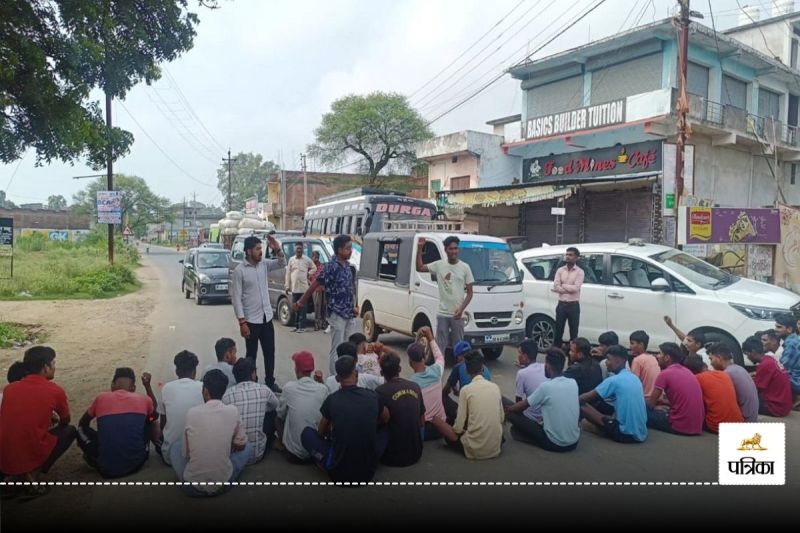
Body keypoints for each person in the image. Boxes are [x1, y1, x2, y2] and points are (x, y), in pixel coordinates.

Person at [0, 346, 76, 495]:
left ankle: (17, 478)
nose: (54, 367)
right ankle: (33, 477)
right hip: (30, 449)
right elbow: (65, 420)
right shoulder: (55, 390)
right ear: (46, 367)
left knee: (21, 439)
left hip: (4, 454)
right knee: (69, 431)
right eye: (53, 363)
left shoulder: (10, 389)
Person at [301, 356, 390, 482]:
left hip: (337, 473)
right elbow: (386, 419)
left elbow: (321, 433)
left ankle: (323, 462)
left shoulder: (332, 399)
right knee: (386, 430)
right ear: (356, 374)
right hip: (368, 472)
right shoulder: (372, 396)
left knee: (307, 433)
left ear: (337, 378)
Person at [170, 370, 252, 497]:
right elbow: (241, 444)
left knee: (175, 447)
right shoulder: (232, 410)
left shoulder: (192, 413)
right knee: (249, 446)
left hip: (192, 488)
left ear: (205, 391)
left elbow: (186, 454)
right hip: (223, 484)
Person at [294, 234, 358, 375]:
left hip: (349, 313)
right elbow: (315, 285)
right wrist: (300, 302)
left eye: (351, 248)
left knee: (349, 347)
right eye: (348, 248)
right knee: (337, 348)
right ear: (339, 250)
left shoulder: (348, 267)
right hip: (337, 314)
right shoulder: (331, 267)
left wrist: (353, 306)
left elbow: (350, 290)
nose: (351, 251)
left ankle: (347, 375)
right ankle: (334, 378)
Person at [77, 368, 159, 478]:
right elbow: (154, 414)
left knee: (80, 430)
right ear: (133, 388)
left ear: (112, 385)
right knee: (150, 420)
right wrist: (147, 386)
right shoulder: (144, 399)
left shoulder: (101, 398)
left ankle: (93, 457)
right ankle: (157, 447)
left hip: (106, 470)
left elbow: (83, 422)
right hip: (137, 464)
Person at [231, 234, 286, 392]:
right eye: (257, 249)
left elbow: (282, 263)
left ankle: (270, 382)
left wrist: (277, 248)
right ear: (248, 251)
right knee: (251, 355)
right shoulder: (239, 271)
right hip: (250, 321)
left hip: (266, 317)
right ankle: (251, 383)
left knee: (270, 352)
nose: (261, 251)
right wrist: (242, 322)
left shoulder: (264, 264)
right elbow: (236, 298)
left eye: (261, 248)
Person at [429, 352, 504, 460]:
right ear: (482, 368)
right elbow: (501, 418)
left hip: (475, 449)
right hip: (495, 447)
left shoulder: (466, 390)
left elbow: (458, 428)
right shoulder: (495, 387)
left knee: (437, 421)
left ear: (467, 371)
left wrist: (461, 429)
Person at [505, 347, 579, 451]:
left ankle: (527, 436)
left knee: (511, 414)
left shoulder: (546, 387)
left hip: (554, 443)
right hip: (574, 442)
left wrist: (507, 410)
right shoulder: (573, 382)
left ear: (547, 366)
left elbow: (521, 406)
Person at [416, 235, 474, 356]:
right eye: (451, 249)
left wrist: (461, 310)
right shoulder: (439, 265)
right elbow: (420, 267)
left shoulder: (465, 267)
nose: (454, 251)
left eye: (456, 248)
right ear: (446, 250)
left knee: (459, 347)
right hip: (442, 314)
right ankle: (440, 366)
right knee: (440, 346)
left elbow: (470, 293)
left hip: (458, 315)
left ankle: (459, 366)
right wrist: (420, 248)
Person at [579, 345, 647, 443]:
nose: (606, 362)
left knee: (583, 414)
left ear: (618, 361)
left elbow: (584, 398)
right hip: (642, 432)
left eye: (608, 359)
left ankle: (605, 431)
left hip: (625, 433)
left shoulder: (614, 380)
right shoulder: (634, 378)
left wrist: (570, 397)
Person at [222, 358, 279, 464]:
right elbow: (275, 405)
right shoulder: (264, 389)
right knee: (273, 413)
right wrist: (261, 408)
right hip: (257, 453)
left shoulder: (226, 395)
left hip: (235, 453)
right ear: (253, 374)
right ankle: (271, 441)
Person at [277, 351, 329, 463]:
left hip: (293, 455)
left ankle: (283, 443)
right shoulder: (323, 389)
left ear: (296, 369)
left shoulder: (289, 388)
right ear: (312, 369)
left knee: (278, 416)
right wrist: (321, 382)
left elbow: (280, 415)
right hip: (315, 453)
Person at [376, 352, 425, 467]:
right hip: (416, 453)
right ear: (400, 369)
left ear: (381, 373)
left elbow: (381, 420)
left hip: (392, 458)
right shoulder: (415, 386)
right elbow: (422, 420)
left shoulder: (380, 391)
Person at [646, 343, 704, 435]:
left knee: (642, 411)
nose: (657, 356)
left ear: (667, 357)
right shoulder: (687, 371)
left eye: (660, 353)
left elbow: (650, 404)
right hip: (697, 426)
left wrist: (655, 406)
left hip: (679, 426)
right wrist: (663, 403)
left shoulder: (665, 374)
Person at [157, 350, 204, 465]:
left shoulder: (166, 388)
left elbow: (163, 424)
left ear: (177, 371)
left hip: (170, 457)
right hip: (199, 455)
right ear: (195, 371)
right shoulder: (203, 387)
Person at [683, 355, 743, 433]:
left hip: (716, 426)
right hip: (739, 422)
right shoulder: (722, 374)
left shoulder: (696, 379)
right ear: (704, 366)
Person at [407, 327, 447, 440]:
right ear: (424, 357)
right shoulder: (437, 370)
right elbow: (439, 356)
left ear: (410, 362)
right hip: (441, 427)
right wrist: (430, 338)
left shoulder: (411, 384)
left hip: (424, 432)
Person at [707, 342, 758, 423]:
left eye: (711, 359)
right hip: (752, 417)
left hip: (744, 421)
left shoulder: (726, 374)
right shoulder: (739, 368)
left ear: (719, 358)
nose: (710, 363)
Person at [743, 336, 793, 417]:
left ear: (753, 352)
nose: (748, 358)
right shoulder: (770, 359)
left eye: (747, 354)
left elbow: (755, 389)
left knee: (742, 401)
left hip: (775, 408)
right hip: (784, 405)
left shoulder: (765, 365)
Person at [443, 340, 492, 422]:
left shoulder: (459, 367)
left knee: (441, 398)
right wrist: (458, 393)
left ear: (459, 356)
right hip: (487, 415)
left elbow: (445, 392)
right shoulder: (485, 368)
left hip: (471, 417)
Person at [501, 339, 547, 425]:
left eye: (519, 353)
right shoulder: (544, 366)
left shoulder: (521, 374)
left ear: (525, 356)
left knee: (502, 400)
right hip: (544, 417)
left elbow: (518, 403)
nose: (518, 355)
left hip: (530, 418)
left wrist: (508, 410)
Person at [552, 247, 584, 349]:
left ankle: (572, 354)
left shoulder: (580, 272)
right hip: (561, 305)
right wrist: (567, 288)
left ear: (576, 257)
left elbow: (576, 288)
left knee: (574, 332)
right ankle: (556, 353)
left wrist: (563, 285)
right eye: (567, 254)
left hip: (573, 306)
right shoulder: (560, 270)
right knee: (558, 330)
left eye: (570, 255)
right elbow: (556, 286)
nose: (568, 257)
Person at [286, 242, 315, 333]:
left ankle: (302, 327)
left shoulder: (307, 259)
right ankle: (296, 326)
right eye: (297, 248)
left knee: (303, 308)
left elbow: (314, 268)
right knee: (295, 308)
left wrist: (309, 274)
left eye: (300, 248)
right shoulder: (291, 260)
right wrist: (287, 286)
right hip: (294, 288)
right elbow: (288, 273)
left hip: (304, 289)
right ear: (295, 250)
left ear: (303, 250)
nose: (299, 250)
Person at [774, 313, 800, 408]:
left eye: (779, 327)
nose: (775, 329)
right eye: (776, 326)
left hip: (797, 382)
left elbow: (783, 368)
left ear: (789, 329)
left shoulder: (791, 344)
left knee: (776, 375)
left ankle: (797, 396)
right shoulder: (794, 340)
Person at [629, 330, 660, 400]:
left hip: (645, 398)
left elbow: (633, 383)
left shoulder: (637, 360)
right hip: (656, 397)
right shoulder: (652, 358)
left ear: (641, 344)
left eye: (632, 343)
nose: (630, 346)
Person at [309, 251, 328, 331]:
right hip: (315, 289)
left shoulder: (321, 266)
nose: (316, 258)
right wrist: (311, 284)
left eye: (317, 257)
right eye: (315, 257)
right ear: (312, 257)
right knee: (317, 307)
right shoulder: (310, 267)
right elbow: (308, 278)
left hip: (323, 288)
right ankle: (317, 324)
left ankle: (323, 323)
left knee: (324, 306)